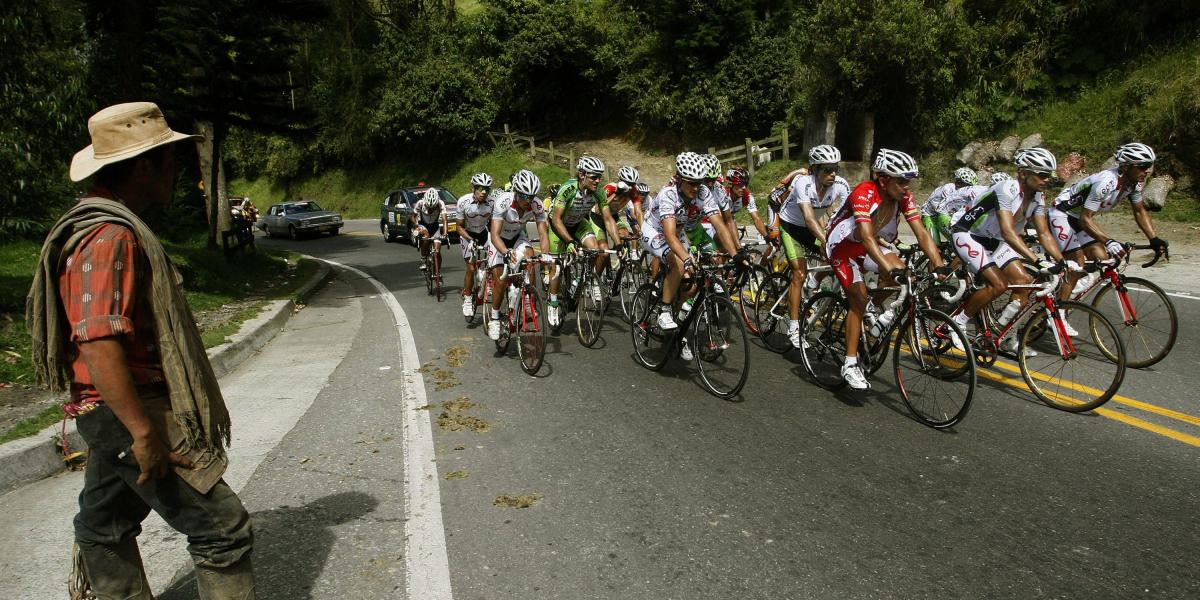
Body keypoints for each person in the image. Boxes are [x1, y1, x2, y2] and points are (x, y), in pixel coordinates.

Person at [26, 102, 255, 599]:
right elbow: (98, 340)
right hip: (124, 409)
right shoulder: (110, 237)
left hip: (111, 407)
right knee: (221, 527)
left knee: (102, 524)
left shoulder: (114, 227)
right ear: (145, 166)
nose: (177, 169)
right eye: (170, 159)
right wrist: (142, 431)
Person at [824, 149, 947, 389]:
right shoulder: (864, 192)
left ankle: (872, 312)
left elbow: (921, 232)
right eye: (901, 181)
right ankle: (849, 364)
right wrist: (888, 268)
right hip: (842, 247)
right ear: (883, 179)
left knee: (902, 273)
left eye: (908, 182)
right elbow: (868, 238)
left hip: (867, 245)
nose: (906, 187)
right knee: (859, 298)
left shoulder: (904, 198)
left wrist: (940, 266)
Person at [949, 148, 1066, 351]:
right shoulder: (1006, 189)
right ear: (1023, 173)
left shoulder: (1038, 198)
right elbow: (1008, 233)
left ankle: (1003, 334)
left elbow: (1044, 234)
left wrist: (1061, 261)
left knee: (1026, 283)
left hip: (993, 240)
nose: (1047, 180)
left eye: (1050, 175)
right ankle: (957, 322)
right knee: (999, 285)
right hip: (967, 234)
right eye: (1042, 174)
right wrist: (1038, 260)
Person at [640, 152, 742, 361]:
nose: (696, 188)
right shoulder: (669, 194)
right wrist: (686, 258)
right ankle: (665, 309)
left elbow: (719, 224)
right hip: (655, 231)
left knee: (692, 283)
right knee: (679, 263)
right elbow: (669, 235)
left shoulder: (704, 191)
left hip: (679, 233)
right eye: (691, 183)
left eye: (699, 182)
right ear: (679, 178)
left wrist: (736, 254)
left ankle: (677, 326)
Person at [1048, 142, 1167, 314]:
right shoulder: (1106, 182)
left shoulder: (1135, 183)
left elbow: (1140, 211)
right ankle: (1059, 313)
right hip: (1061, 214)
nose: (1147, 170)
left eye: (1150, 166)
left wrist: (1153, 238)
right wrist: (1109, 240)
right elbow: (1085, 219)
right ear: (1126, 167)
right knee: (1077, 264)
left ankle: (1062, 289)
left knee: (1101, 258)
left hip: (1080, 218)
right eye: (1143, 166)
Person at [778, 145, 851, 348]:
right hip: (791, 227)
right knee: (799, 273)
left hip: (811, 230)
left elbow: (847, 217)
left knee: (837, 261)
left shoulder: (841, 186)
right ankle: (794, 327)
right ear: (814, 169)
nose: (833, 173)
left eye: (835, 168)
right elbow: (810, 219)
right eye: (827, 169)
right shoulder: (803, 183)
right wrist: (827, 242)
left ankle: (813, 284)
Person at [547, 156, 619, 327]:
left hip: (579, 223)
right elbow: (556, 220)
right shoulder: (568, 189)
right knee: (556, 268)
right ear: (581, 175)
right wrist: (570, 241)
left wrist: (619, 243)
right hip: (559, 226)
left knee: (594, 250)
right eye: (594, 177)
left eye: (599, 176)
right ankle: (553, 302)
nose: (598, 180)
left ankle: (581, 279)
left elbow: (608, 219)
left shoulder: (599, 192)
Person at [487, 169, 551, 340]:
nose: (528, 201)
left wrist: (545, 255)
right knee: (500, 280)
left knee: (531, 257)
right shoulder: (503, 201)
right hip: (498, 239)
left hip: (517, 236)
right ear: (516, 192)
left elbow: (544, 234)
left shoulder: (536, 204)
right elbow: (494, 234)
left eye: (531, 196)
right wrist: (506, 252)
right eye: (524, 196)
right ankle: (494, 318)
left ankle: (529, 298)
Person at [458, 172, 495, 318]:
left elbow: (493, 224)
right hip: (468, 234)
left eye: (487, 189)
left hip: (484, 233)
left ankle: (488, 280)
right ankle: (467, 298)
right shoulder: (463, 202)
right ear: (474, 188)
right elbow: (459, 227)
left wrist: (494, 241)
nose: (484, 192)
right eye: (480, 188)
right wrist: (470, 239)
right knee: (471, 267)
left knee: (494, 260)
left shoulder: (492, 202)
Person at [920, 167, 978, 245]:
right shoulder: (948, 189)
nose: (969, 188)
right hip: (930, 216)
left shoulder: (965, 192)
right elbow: (944, 209)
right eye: (967, 185)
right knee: (935, 247)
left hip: (941, 215)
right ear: (958, 182)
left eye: (971, 186)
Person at [411, 187, 449, 276]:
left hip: (434, 226)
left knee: (437, 251)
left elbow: (445, 220)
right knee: (426, 238)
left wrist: (445, 233)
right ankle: (423, 259)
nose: (431, 209)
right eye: (428, 207)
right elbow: (412, 216)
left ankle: (437, 273)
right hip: (423, 225)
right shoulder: (420, 203)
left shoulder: (440, 203)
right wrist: (416, 225)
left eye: (433, 208)